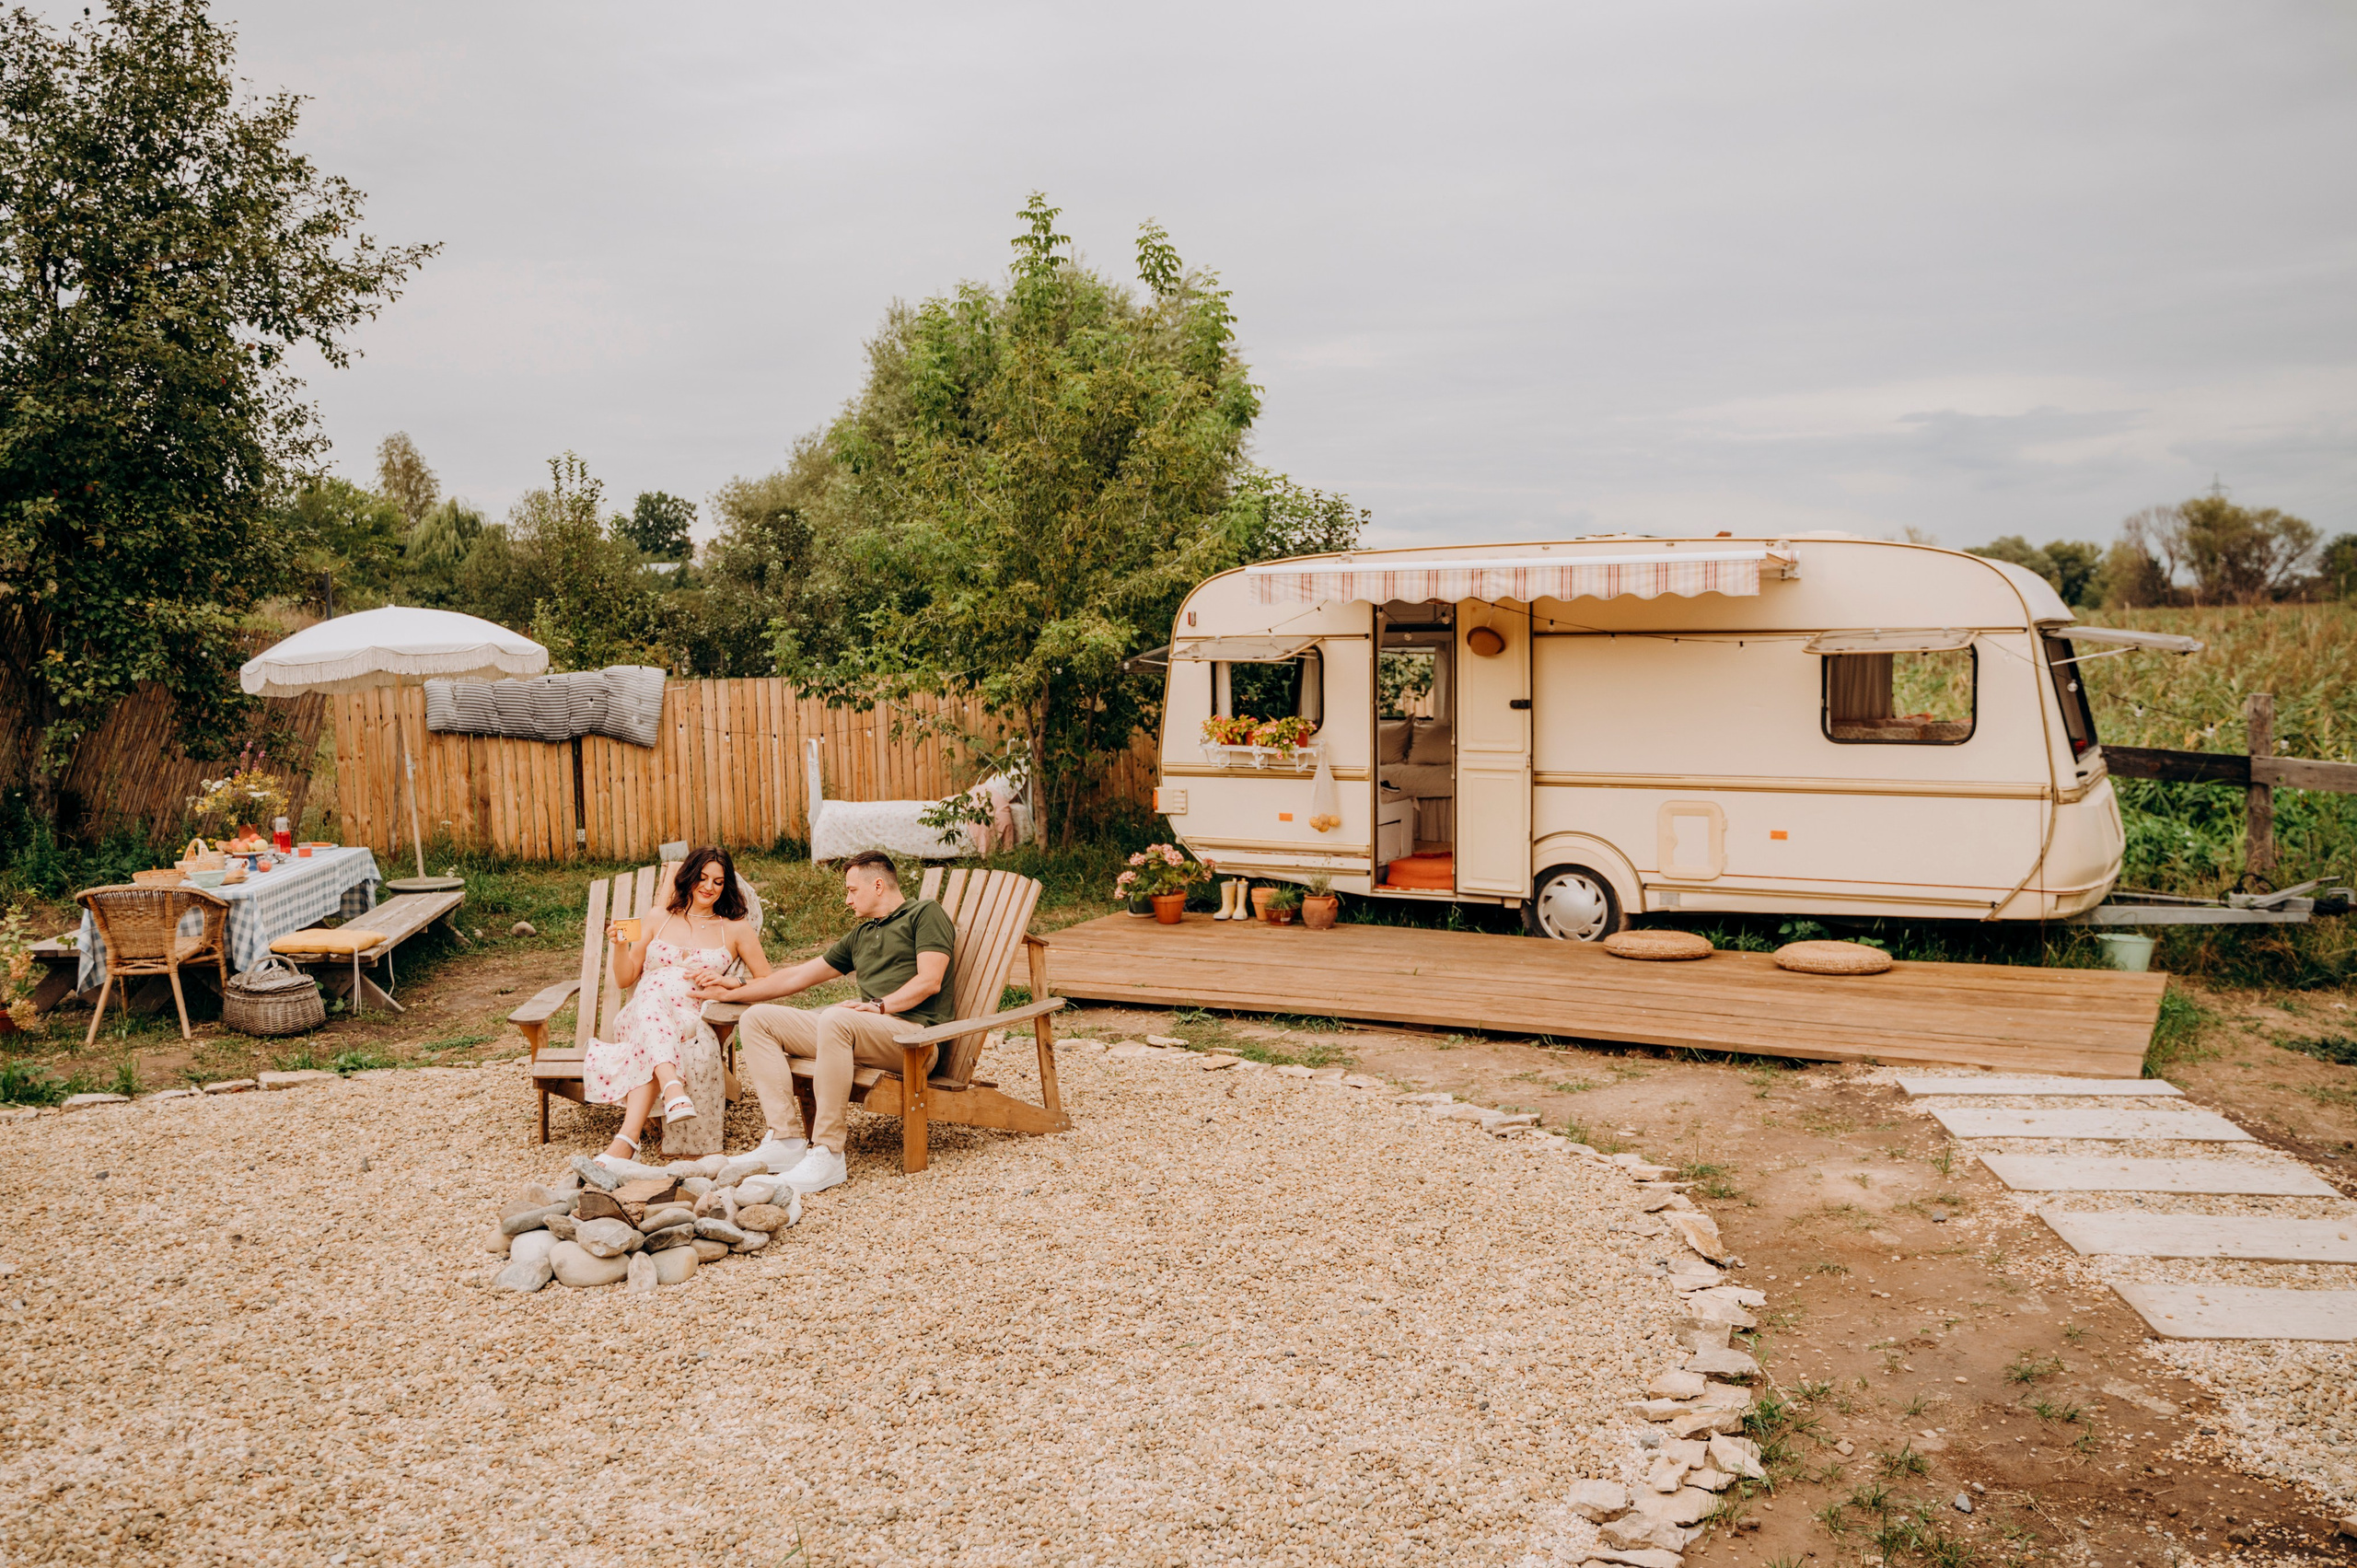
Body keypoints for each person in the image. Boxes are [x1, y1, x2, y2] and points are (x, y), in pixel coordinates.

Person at [693, 849, 956, 1193]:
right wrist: (737, 987)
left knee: (837, 1017)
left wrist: (879, 1006)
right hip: (864, 1033)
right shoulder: (862, 934)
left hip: (914, 1041)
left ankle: (829, 1153)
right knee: (758, 1018)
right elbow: (798, 976)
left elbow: (929, 980)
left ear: (878, 885)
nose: (847, 900)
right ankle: (786, 1141)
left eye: (851, 890)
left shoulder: (924, 913)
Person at [582, 845, 770, 1167]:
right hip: (640, 1014)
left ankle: (628, 1140)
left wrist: (727, 982)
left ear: (726, 887)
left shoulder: (736, 928)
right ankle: (672, 1087)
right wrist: (619, 946)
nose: (709, 887)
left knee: (656, 1017)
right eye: (703, 878)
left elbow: (768, 982)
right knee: (652, 990)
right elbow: (627, 978)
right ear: (689, 877)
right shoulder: (658, 918)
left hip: (691, 1017)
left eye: (719, 882)